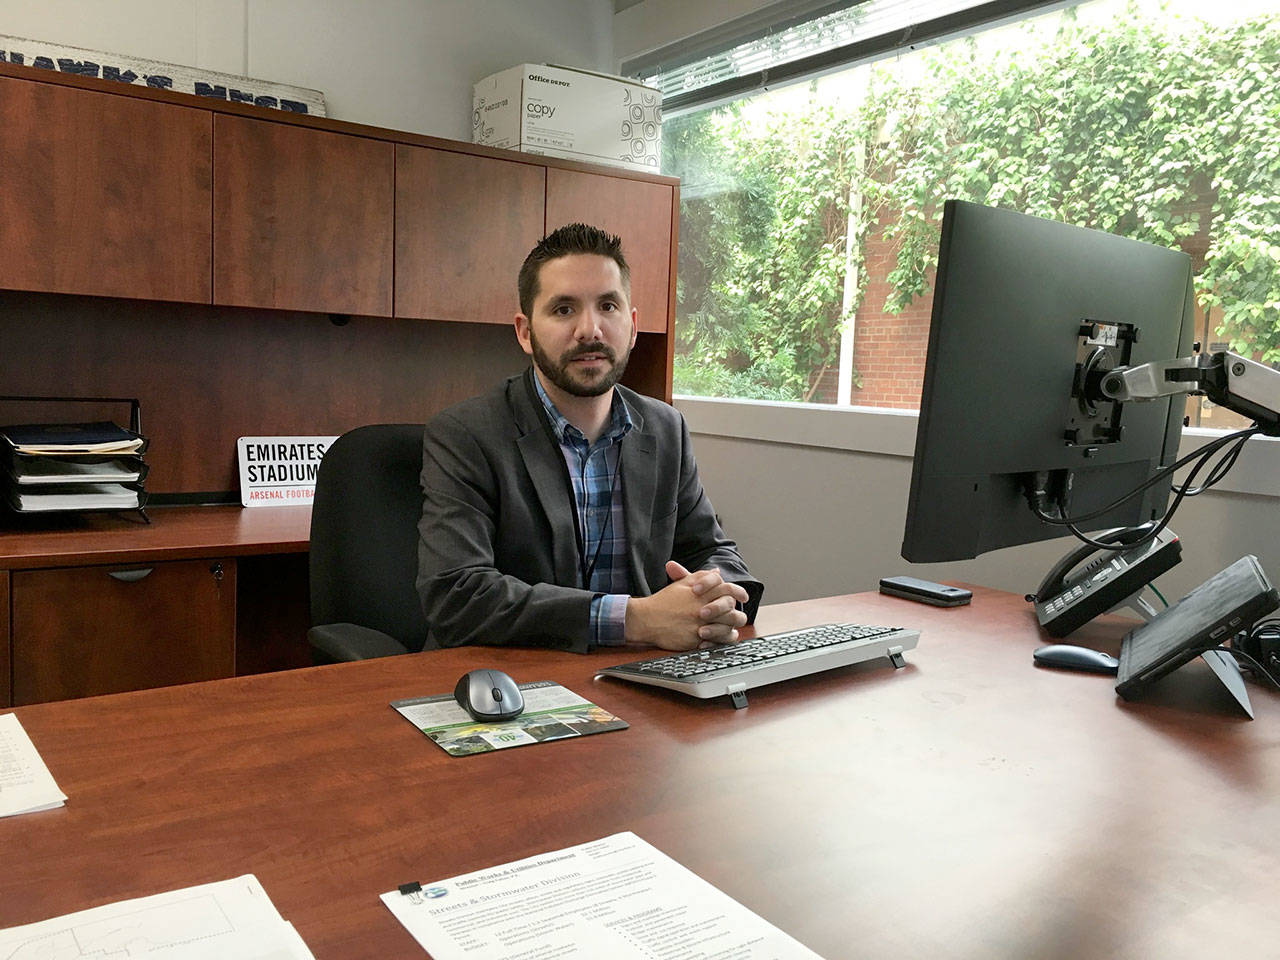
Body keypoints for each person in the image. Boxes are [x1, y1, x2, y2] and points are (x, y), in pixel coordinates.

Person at [416, 222, 762, 654]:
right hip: (511, 676)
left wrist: (714, 599)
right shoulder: (466, 434)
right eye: (564, 309)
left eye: (608, 306)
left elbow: (715, 552)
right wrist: (637, 619)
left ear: (632, 326)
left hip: (642, 671)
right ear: (525, 332)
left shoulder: (665, 428)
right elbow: (456, 593)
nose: (590, 330)